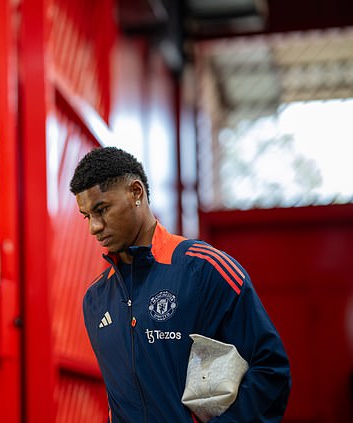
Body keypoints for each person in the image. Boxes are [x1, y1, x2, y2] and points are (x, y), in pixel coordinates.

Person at [69, 146, 291, 422]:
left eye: (102, 209)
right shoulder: (96, 299)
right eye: (87, 216)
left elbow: (271, 371)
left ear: (135, 192)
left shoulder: (204, 269)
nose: (94, 227)